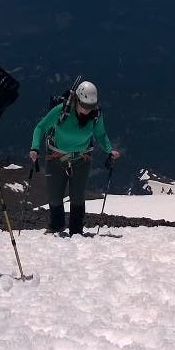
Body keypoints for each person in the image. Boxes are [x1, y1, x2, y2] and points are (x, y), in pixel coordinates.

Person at [29, 80, 120, 236]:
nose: (87, 110)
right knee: (55, 196)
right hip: (55, 157)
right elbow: (41, 127)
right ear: (77, 100)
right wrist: (35, 147)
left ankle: (76, 230)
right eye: (84, 106)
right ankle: (57, 225)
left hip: (81, 159)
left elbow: (100, 134)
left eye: (90, 107)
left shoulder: (96, 115)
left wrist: (109, 150)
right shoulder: (61, 110)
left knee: (77, 196)